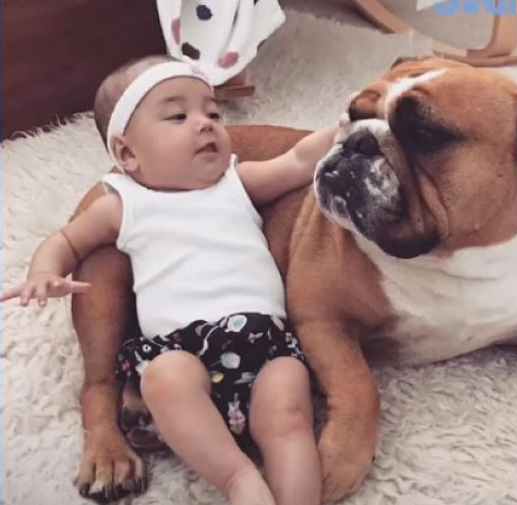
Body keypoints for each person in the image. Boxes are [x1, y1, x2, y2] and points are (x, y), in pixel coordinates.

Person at [2, 54, 339, 505]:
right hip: (183, 349)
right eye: (178, 116)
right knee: (164, 378)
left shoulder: (236, 181)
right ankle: (238, 479)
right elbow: (66, 240)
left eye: (213, 113)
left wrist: (346, 124)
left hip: (264, 342)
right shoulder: (124, 204)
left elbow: (297, 161)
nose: (205, 124)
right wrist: (44, 273)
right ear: (127, 153)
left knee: (290, 421)